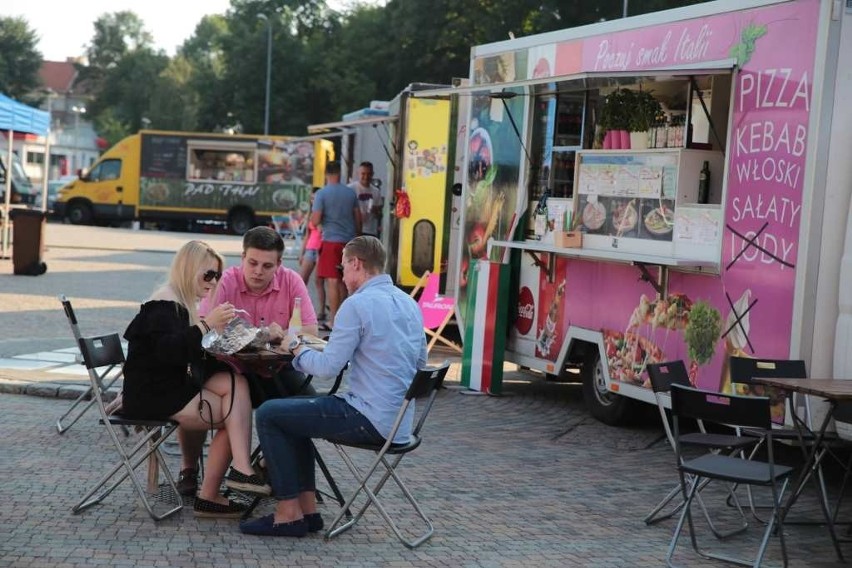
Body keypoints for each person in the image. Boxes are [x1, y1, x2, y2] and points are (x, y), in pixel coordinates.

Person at [240, 236, 427, 537]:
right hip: (400, 425)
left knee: (269, 414)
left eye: (343, 268)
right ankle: (308, 512)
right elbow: (420, 362)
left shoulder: (357, 305)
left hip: (369, 418)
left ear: (356, 264)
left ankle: (288, 514)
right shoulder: (408, 302)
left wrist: (295, 348)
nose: (341, 275)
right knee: (293, 414)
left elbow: (328, 368)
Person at [122, 240, 270, 518]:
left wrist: (229, 339)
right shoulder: (164, 303)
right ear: (190, 269)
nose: (213, 283)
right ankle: (214, 492)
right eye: (208, 275)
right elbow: (168, 353)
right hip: (155, 394)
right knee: (233, 415)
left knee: (236, 383)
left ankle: (240, 470)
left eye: (217, 276)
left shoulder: (179, 301)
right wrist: (206, 324)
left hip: (166, 385)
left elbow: (181, 352)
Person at [311, 161, 361, 330]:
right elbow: (358, 218)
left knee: (332, 281)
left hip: (331, 240)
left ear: (326, 173)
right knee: (344, 280)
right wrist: (357, 236)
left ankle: (334, 321)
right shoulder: (350, 193)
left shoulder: (322, 194)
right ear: (340, 173)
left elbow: (315, 220)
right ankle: (345, 318)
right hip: (349, 241)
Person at [299, 188, 327, 321]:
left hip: (321, 249)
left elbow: (323, 231)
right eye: (312, 198)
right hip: (310, 248)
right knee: (301, 279)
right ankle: (300, 309)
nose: (313, 201)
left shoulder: (324, 214)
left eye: (316, 198)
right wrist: (301, 253)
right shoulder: (310, 214)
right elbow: (306, 235)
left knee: (318, 281)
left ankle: (321, 311)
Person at [349, 161, 383, 238]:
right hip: (353, 230)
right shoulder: (350, 189)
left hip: (370, 231)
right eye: (363, 174)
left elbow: (380, 214)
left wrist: (376, 210)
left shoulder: (376, 191)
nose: (366, 177)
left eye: (369, 174)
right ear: (358, 174)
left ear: (372, 174)